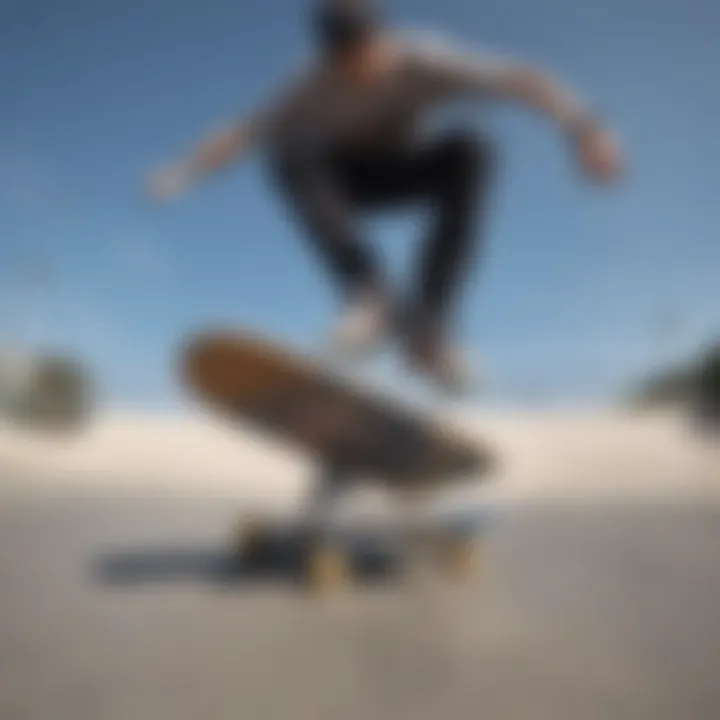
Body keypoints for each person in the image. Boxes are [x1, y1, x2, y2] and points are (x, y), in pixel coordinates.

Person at [148, 0, 623, 391]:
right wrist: (183, 171)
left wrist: (585, 128)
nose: (359, 72)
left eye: (367, 56)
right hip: (345, 185)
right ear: (330, 58)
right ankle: (368, 296)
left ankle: (430, 330)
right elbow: (245, 131)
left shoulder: (422, 58)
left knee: (473, 150)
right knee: (289, 151)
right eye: (346, 65)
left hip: (408, 172)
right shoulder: (311, 82)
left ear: (382, 39)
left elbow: (520, 79)